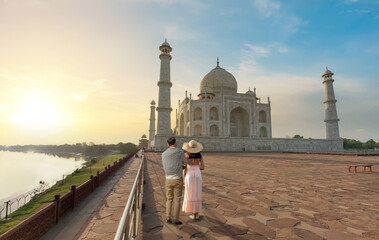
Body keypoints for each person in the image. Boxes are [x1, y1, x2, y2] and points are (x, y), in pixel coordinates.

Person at [162, 137, 188, 225]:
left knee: (169, 199)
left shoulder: (164, 154)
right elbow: (186, 162)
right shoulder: (180, 152)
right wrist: (181, 166)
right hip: (177, 178)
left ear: (168, 144)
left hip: (168, 179)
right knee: (177, 199)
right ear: (175, 143)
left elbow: (166, 165)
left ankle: (168, 217)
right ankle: (176, 219)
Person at [182, 140, 204, 220]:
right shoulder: (200, 156)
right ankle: (196, 213)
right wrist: (197, 167)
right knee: (197, 193)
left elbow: (184, 168)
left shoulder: (186, 155)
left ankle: (192, 213)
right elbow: (203, 167)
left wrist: (183, 179)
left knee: (190, 193)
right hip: (198, 174)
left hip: (189, 174)